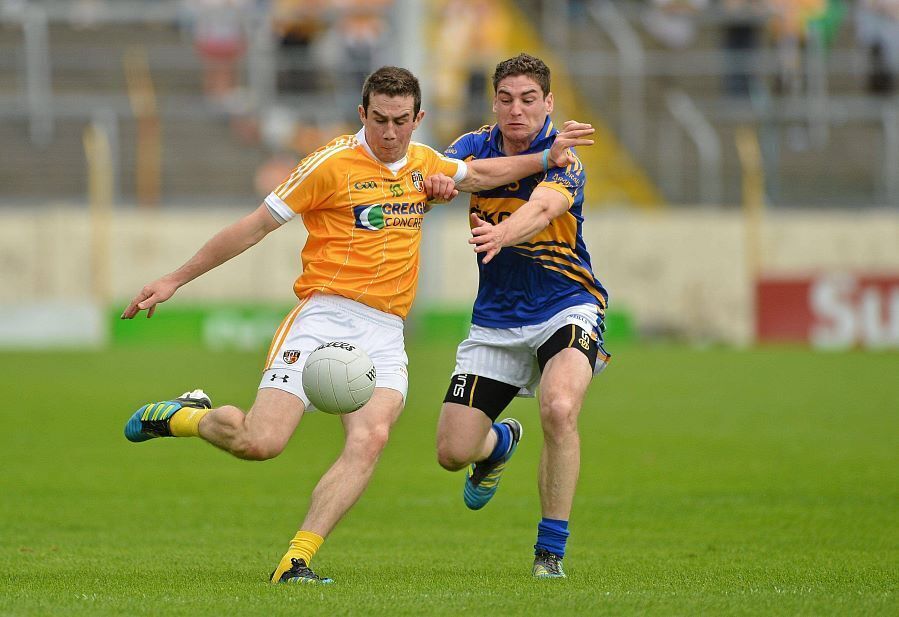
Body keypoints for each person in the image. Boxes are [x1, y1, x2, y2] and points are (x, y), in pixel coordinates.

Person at [120, 65, 594, 585]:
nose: (390, 133)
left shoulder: (425, 162)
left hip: (386, 330)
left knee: (371, 439)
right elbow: (253, 227)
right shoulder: (329, 164)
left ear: (418, 119)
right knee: (260, 442)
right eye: (380, 120)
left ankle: (295, 561)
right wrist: (174, 279)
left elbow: (479, 176)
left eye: (401, 121)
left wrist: (546, 158)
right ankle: (186, 415)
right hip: (323, 316)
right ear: (362, 113)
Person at [432, 54, 611, 579]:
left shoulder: (566, 158)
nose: (517, 110)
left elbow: (542, 210)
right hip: (496, 318)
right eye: (506, 99)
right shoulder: (473, 145)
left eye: (529, 99)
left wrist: (503, 233)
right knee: (452, 452)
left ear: (548, 102)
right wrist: (438, 184)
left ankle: (549, 553)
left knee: (559, 408)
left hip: (566, 305)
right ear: (494, 102)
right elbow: (443, 174)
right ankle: (498, 444)